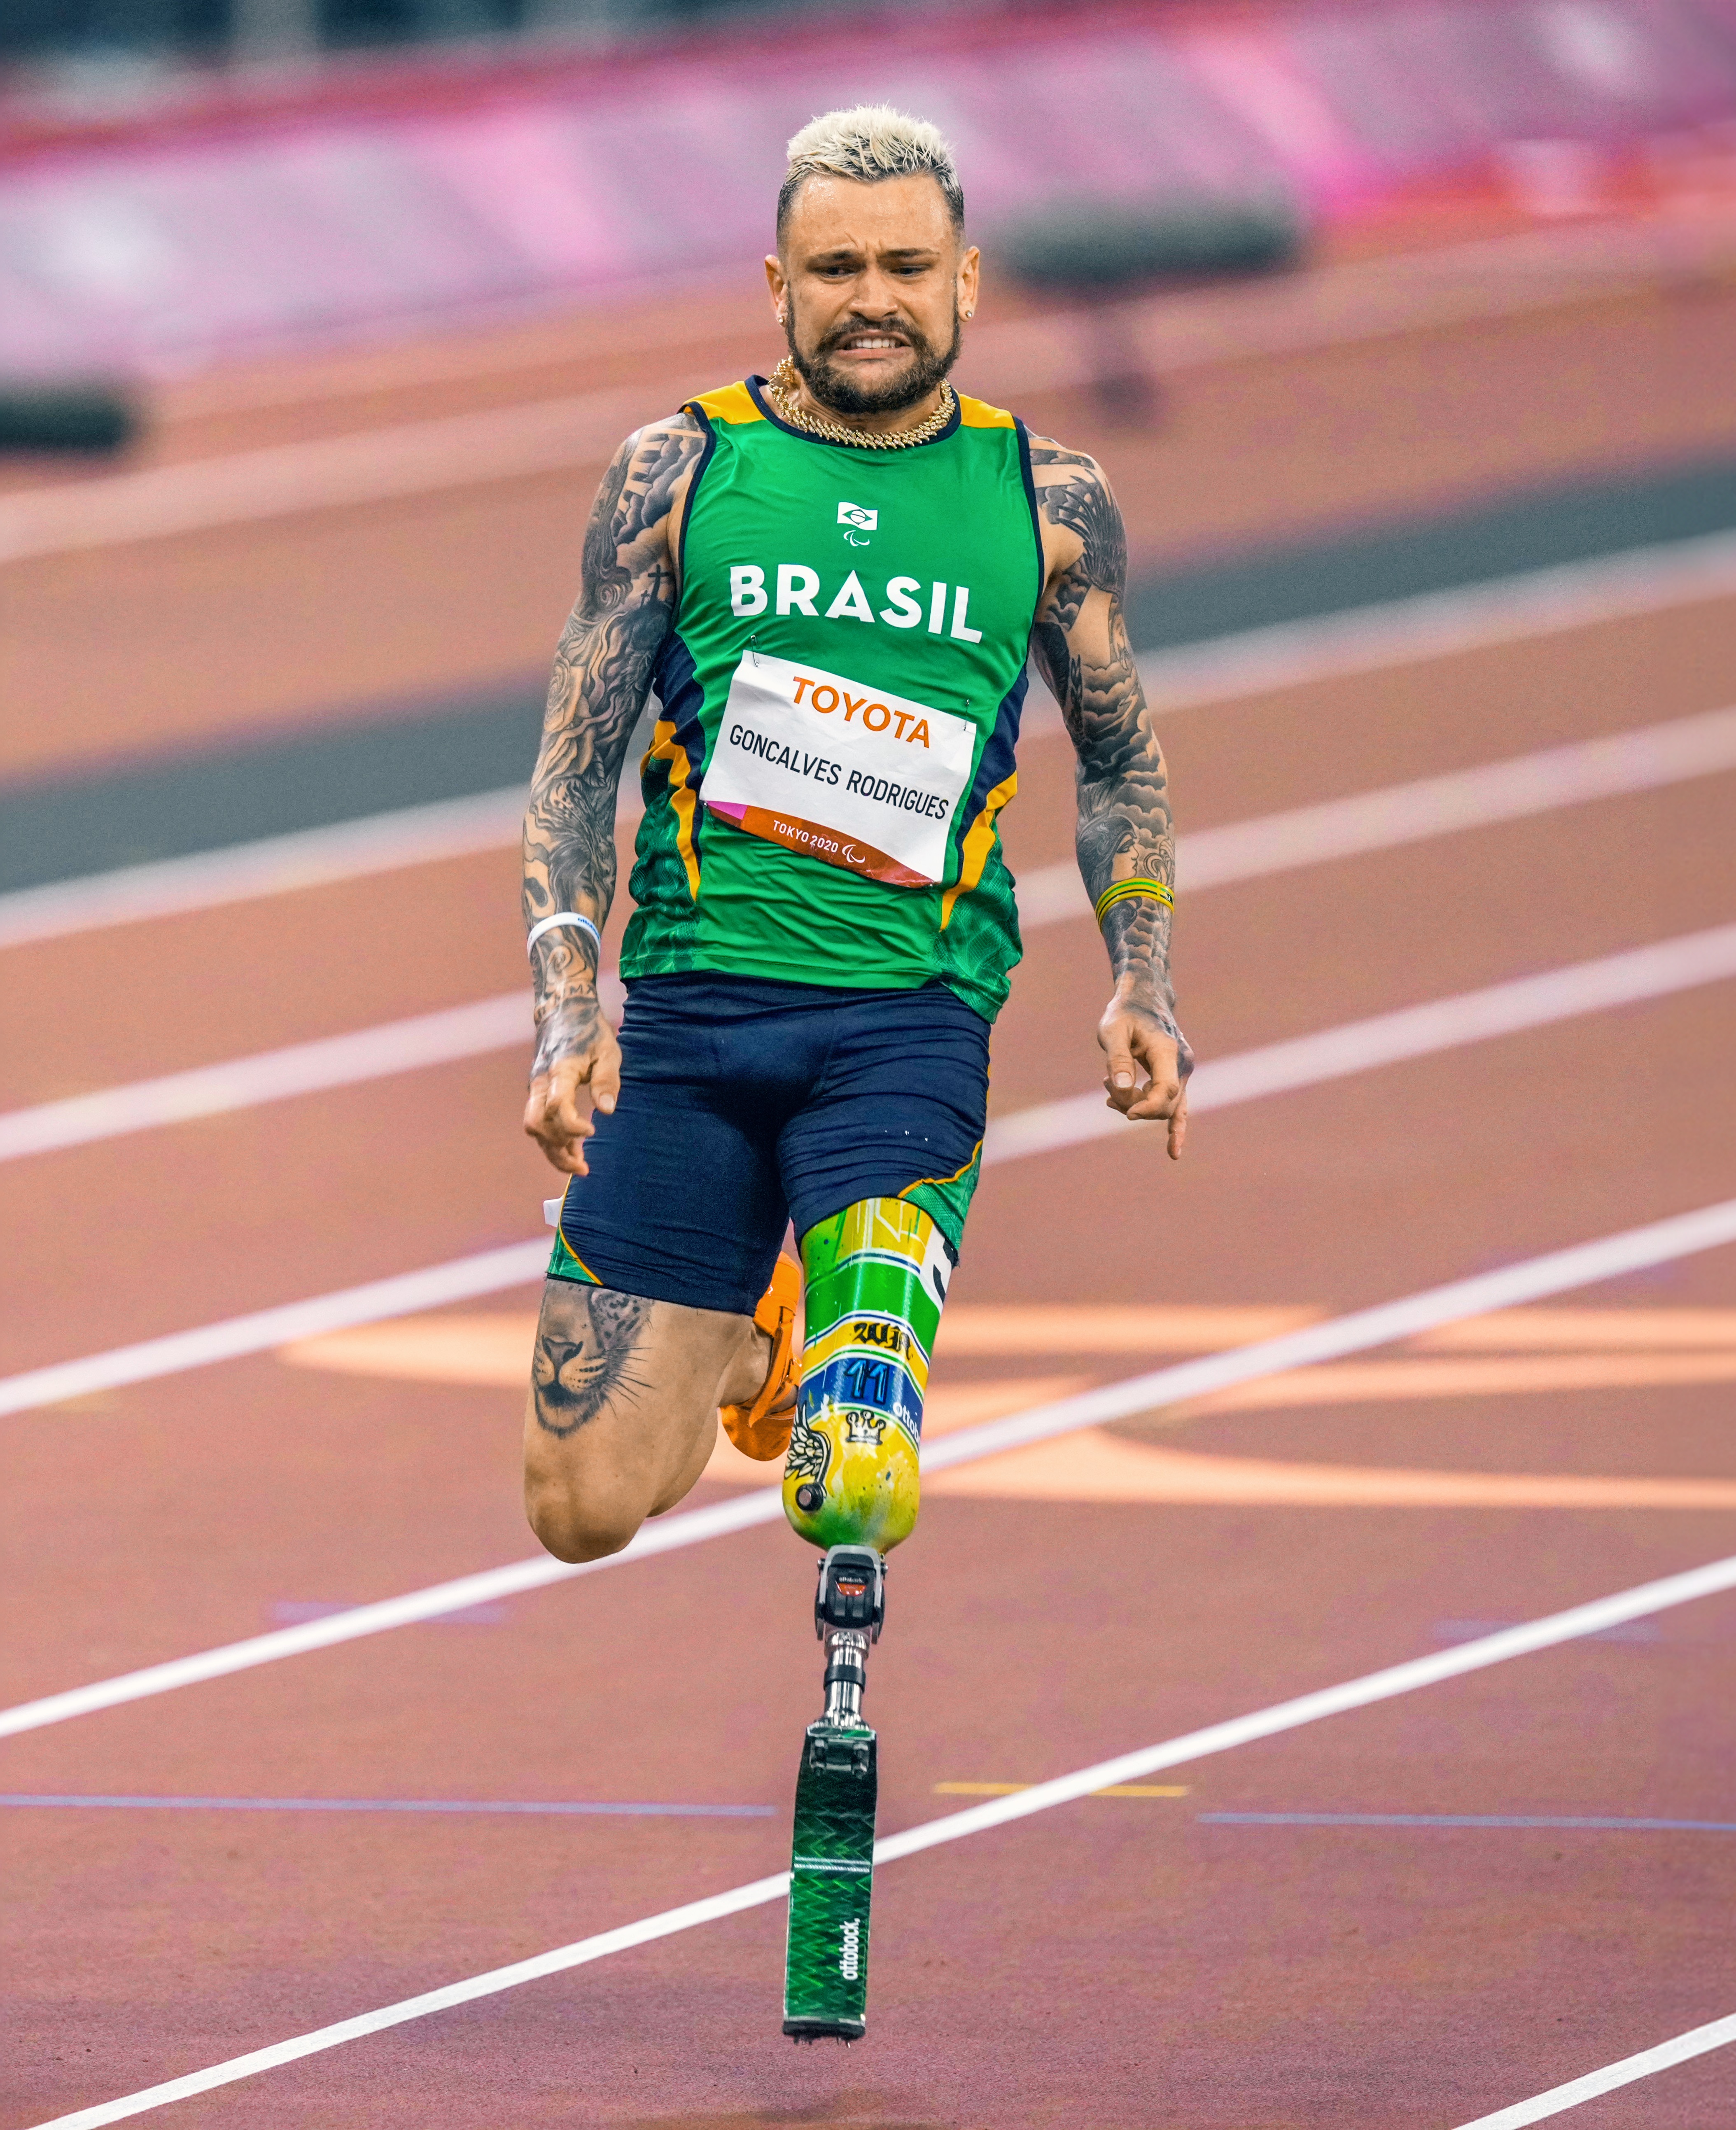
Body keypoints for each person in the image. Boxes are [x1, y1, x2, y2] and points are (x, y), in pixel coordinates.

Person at [519, 104, 1190, 1570]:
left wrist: (1143, 975)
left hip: (906, 1029)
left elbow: (1123, 758)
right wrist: (569, 1003)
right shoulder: (677, 476)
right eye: (834, 268)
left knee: (859, 1476)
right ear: (778, 286)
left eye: (904, 264)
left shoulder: (1049, 499)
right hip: (692, 1016)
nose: (870, 297)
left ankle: (834, 1371)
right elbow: (574, 771)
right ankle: (763, 1352)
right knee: (580, 1511)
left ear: (965, 282)